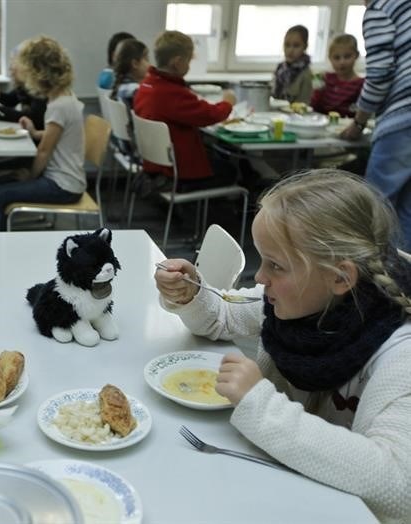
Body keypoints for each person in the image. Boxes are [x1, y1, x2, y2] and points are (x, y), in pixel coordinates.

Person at [154, 169, 411, 523]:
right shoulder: (301, 301)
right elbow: (223, 316)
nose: (260, 277)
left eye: (275, 265)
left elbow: (398, 487)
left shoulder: (400, 355)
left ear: (340, 277)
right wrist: (192, 294)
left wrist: (260, 405)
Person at [0, 36, 85, 231]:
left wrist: (29, 176)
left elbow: (44, 151)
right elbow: (55, 137)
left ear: (38, 73)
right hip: (63, 180)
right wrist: (35, 132)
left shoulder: (58, 106)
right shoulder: (64, 98)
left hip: (62, 185)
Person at [341, 0, 411, 250]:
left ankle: (377, 283)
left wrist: (358, 122)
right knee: (407, 212)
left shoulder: (380, 8)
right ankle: (401, 283)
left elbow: (380, 75)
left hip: (404, 117)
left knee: (376, 209)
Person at [133, 31, 237, 187]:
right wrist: (228, 103)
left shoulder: (147, 85)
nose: (189, 65)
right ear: (177, 62)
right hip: (177, 171)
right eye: (189, 61)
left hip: (155, 165)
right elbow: (210, 115)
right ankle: (204, 209)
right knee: (231, 170)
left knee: (215, 155)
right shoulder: (171, 93)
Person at [0, 46, 47, 131]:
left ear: (28, 66)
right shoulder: (25, 85)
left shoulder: (41, 89)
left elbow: (33, 119)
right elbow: (12, 100)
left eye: (14, 63)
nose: (10, 68)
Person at [109, 38, 150, 161]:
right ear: (135, 64)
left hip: (125, 149)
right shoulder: (135, 91)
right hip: (139, 153)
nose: (150, 64)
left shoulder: (122, 86)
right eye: (147, 59)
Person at [310, 34, 364, 117]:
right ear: (330, 58)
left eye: (347, 56)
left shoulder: (361, 84)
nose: (342, 62)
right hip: (322, 122)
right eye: (336, 58)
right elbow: (314, 107)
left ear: (356, 55)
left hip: (345, 126)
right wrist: (318, 90)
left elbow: (359, 113)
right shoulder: (326, 78)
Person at [272, 25, 313, 103]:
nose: (290, 50)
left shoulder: (305, 73)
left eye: (296, 46)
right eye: (287, 45)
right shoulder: (280, 68)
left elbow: (303, 104)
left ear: (305, 47)